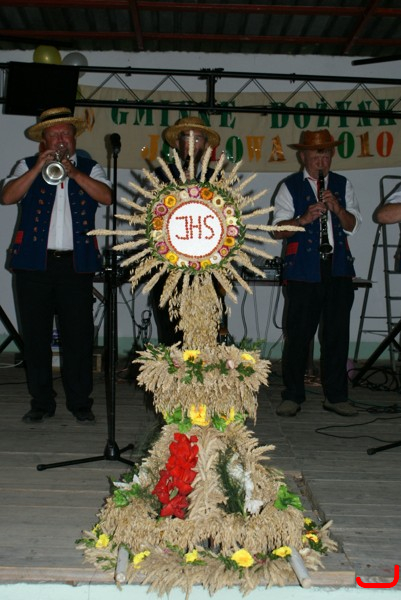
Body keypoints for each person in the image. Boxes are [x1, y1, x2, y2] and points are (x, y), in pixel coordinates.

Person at [1, 107, 112, 424]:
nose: (61, 139)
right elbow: (7, 197)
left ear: (74, 138)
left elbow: (106, 197)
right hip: (33, 265)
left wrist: (74, 173)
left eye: (66, 134)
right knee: (35, 338)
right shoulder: (26, 165)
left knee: (78, 337)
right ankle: (41, 402)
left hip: (75, 266)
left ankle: (80, 403)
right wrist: (39, 166)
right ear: (44, 140)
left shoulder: (90, 167)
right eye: (54, 135)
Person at [272, 129, 362, 417]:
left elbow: (353, 225)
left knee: (337, 335)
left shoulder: (343, 184)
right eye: (315, 156)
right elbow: (277, 231)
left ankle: (336, 396)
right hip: (303, 270)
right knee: (298, 336)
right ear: (303, 157)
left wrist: (337, 208)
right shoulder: (289, 186)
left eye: (326, 155)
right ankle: (293, 395)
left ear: (332, 155)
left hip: (338, 268)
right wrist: (303, 219)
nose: (321, 161)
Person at [151, 116, 221, 345]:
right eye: (187, 138)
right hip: (169, 264)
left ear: (205, 145)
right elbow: (147, 214)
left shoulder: (218, 178)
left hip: (207, 266)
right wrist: (177, 190)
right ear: (177, 143)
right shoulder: (161, 175)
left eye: (198, 139)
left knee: (205, 331)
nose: (192, 144)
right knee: (170, 331)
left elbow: (229, 219)